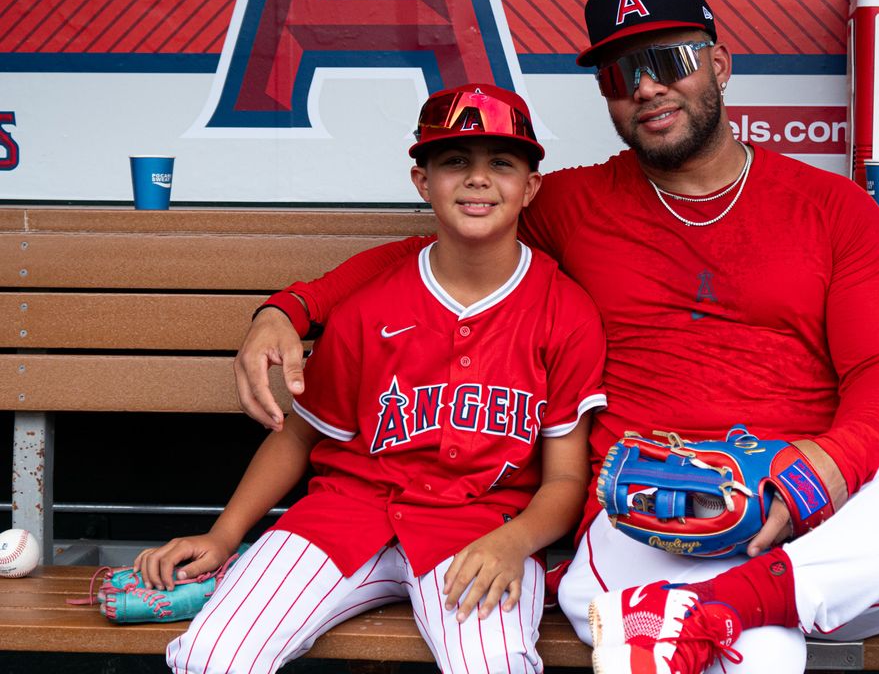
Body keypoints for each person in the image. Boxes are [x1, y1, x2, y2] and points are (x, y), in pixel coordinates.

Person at [234, 0, 879, 673]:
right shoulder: (576, 203)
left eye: (669, 59)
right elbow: (452, 239)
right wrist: (290, 307)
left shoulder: (830, 206)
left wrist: (813, 474)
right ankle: (791, 597)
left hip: (804, 505)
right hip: (654, 512)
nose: (648, 86)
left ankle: (743, 599)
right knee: (763, 650)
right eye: (622, 74)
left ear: (720, 65)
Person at [136, 84, 607, 674]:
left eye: (502, 164)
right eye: (454, 161)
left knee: (493, 665)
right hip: (344, 515)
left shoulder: (564, 309)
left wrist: (516, 544)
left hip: (480, 531)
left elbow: (565, 477)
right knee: (211, 656)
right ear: (421, 182)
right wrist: (226, 535)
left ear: (531, 186)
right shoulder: (373, 299)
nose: (478, 179)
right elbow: (300, 435)